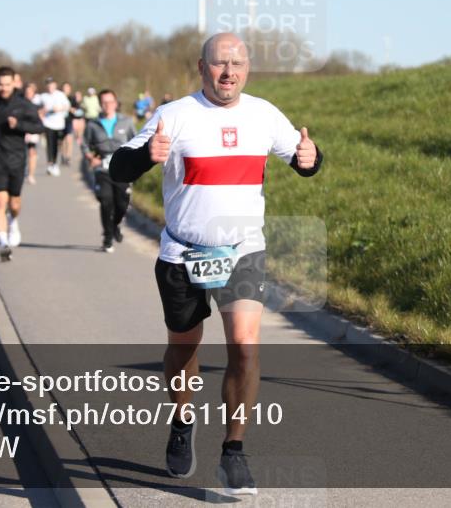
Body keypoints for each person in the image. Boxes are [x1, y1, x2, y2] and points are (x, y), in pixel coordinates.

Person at [110, 33, 323, 495]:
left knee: (244, 347)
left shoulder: (264, 114)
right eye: (219, 63)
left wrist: (311, 159)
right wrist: (146, 156)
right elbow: (117, 167)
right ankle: (183, 420)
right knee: (184, 349)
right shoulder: (174, 116)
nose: (229, 72)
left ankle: (233, 452)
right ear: (201, 67)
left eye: (238, 63)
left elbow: (303, 159)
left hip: (243, 250)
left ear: (248, 69)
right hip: (182, 253)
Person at [0, 66, 44, 262]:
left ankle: (13, 221)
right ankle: (3, 243)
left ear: (14, 82)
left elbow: (39, 127)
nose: (4, 88)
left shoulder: (24, 104)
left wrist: (19, 126)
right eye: (0, 84)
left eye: (7, 84)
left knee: (14, 203)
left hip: (16, 159)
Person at [82, 89, 136, 253]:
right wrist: (91, 158)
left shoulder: (126, 122)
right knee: (105, 201)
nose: (107, 105)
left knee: (121, 204)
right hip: (102, 168)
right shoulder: (92, 124)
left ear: (115, 103)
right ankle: (107, 237)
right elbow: (84, 144)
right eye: (104, 102)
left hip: (122, 168)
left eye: (110, 102)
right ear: (100, 104)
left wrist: (134, 160)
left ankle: (115, 225)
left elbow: (138, 140)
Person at [39, 77, 70, 176]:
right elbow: (37, 108)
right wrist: (42, 112)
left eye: (51, 84)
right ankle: (50, 164)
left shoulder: (60, 95)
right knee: (49, 144)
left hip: (59, 124)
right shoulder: (43, 96)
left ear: (55, 85)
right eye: (48, 85)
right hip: (48, 124)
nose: (50, 87)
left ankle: (55, 163)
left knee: (57, 145)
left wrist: (59, 108)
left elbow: (67, 106)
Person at [23, 82, 41, 185]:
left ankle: (31, 174)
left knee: (32, 152)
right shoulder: (20, 104)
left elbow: (40, 120)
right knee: (22, 154)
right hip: (22, 132)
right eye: (27, 92)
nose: (28, 94)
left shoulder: (36, 106)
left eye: (30, 92)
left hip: (32, 133)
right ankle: (23, 171)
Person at [60, 82, 75, 166]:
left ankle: (68, 157)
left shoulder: (72, 98)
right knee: (62, 141)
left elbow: (77, 110)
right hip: (60, 121)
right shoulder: (58, 97)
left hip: (69, 120)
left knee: (69, 139)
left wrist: (72, 109)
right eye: (64, 88)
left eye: (67, 88)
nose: (66, 90)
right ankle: (63, 155)